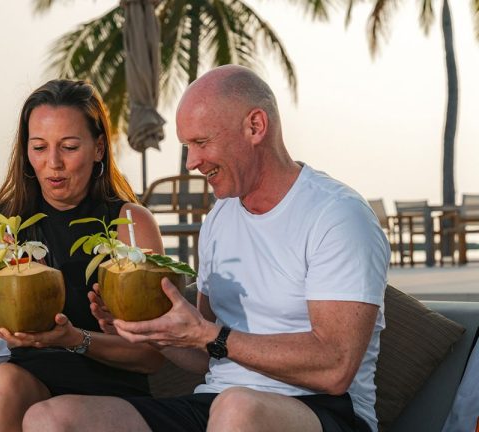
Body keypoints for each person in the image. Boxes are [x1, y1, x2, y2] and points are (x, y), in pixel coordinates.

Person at [22, 65, 390, 432]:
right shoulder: (219, 218)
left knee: (237, 408)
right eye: (187, 147)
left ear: (255, 126)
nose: (192, 163)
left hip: (323, 410)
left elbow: (335, 368)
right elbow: (205, 355)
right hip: (215, 402)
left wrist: (211, 336)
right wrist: (156, 332)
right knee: (50, 419)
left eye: (201, 143)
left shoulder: (336, 215)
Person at [0, 79, 166, 432]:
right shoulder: (3, 225)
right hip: (28, 386)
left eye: (69, 147)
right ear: (26, 151)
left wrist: (75, 339)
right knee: (3, 383)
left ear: (98, 148)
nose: (53, 163)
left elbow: (151, 358)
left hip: (110, 395)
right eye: (39, 147)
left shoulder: (129, 225)